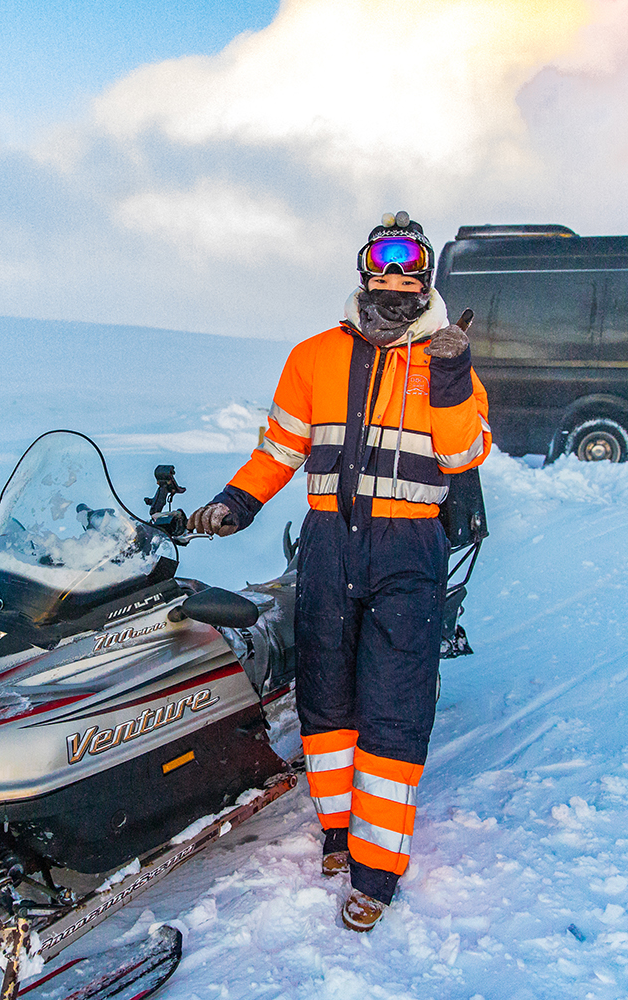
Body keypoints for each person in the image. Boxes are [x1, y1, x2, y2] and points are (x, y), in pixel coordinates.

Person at [187, 212, 490, 931]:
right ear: (362, 272)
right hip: (327, 544)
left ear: (426, 277)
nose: (394, 279)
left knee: (393, 706)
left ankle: (375, 872)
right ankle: (336, 831)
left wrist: (450, 376)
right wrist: (238, 500)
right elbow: (281, 446)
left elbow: (465, 455)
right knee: (326, 698)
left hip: (409, 552)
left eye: (408, 267)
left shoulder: (448, 358)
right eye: (381, 265)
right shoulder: (314, 355)